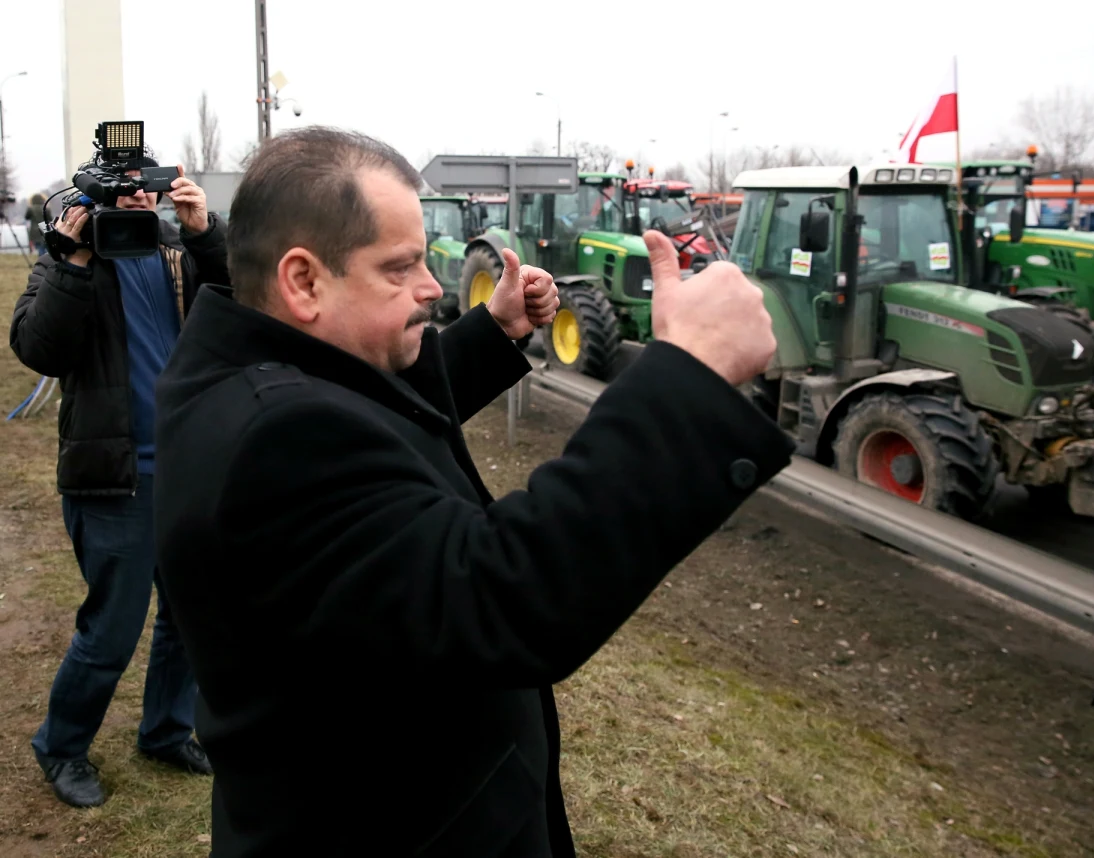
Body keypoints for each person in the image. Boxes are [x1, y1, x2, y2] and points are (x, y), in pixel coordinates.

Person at [153, 126, 793, 858]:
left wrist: (492, 333)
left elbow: (374, 411)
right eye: (400, 268)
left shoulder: (250, 374)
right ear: (304, 282)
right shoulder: (280, 441)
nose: (432, 287)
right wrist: (692, 375)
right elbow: (503, 593)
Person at [8, 157, 229, 808]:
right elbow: (39, 349)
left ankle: (165, 732)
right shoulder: (69, 258)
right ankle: (60, 746)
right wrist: (73, 258)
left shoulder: (176, 252)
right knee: (111, 631)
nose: (135, 199)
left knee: (189, 618)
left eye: (144, 188)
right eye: (122, 189)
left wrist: (204, 233)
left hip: (186, 470)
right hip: (113, 478)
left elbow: (240, 306)